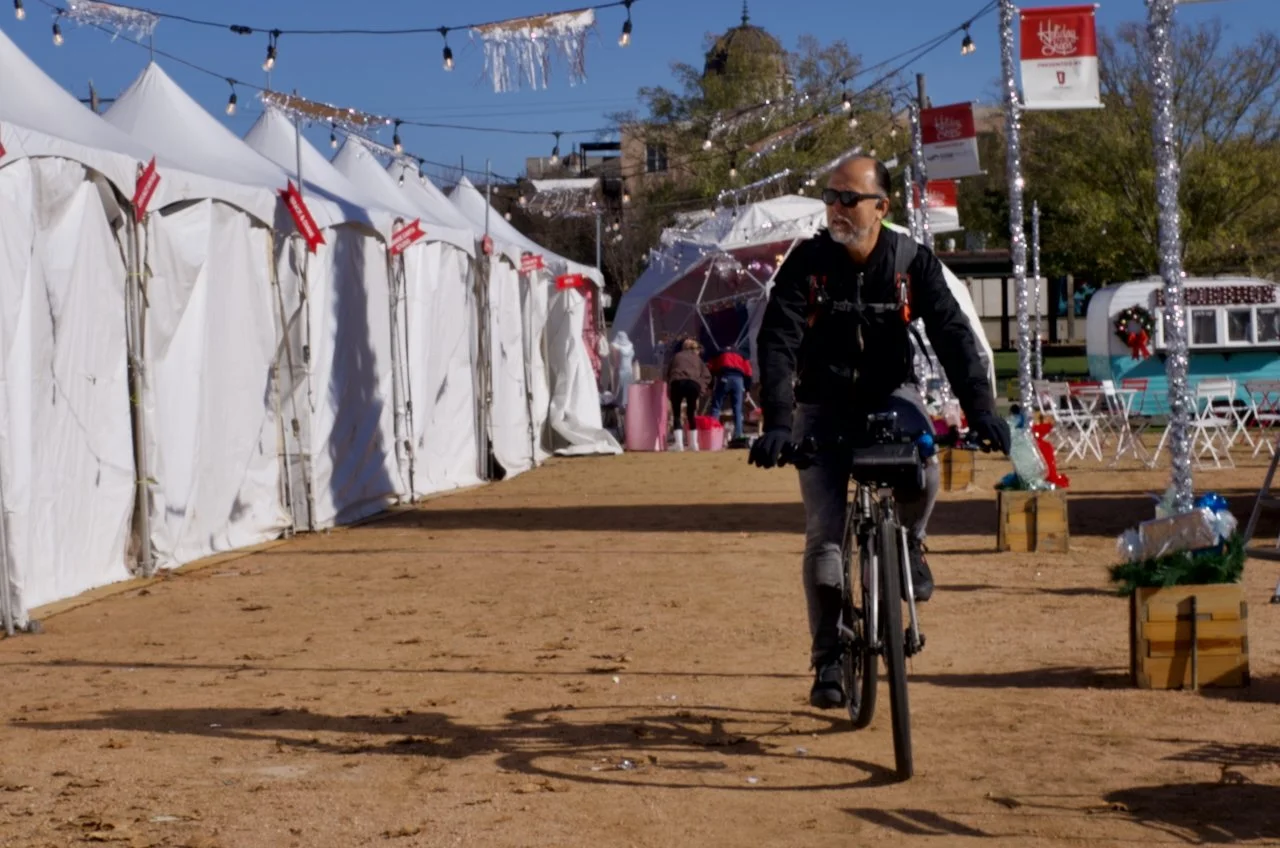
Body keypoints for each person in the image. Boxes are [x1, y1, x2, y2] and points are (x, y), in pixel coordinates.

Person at [748, 155, 1010, 709]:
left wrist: (980, 410)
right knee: (824, 534)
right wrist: (776, 422)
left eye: (849, 198)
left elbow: (953, 334)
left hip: (891, 396)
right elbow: (778, 341)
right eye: (830, 196)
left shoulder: (912, 260)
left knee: (927, 471)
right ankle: (828, 661)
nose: (836, 208)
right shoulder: (808, 262)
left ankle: (909, 545)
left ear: (882, 207)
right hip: (819, 403)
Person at [664, 337, 711, 451]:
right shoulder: (697, 359)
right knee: (691, 413)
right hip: (693, 384)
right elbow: (707, 375)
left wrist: (669, 387)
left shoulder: (677, 356)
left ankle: (679, 444)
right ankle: (694, 444)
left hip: (677, 382)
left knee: (677, 414)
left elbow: (668, 372)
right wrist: (701, 388)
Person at [707, 345, 753, 444]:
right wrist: (748, 390)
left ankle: (712, 434)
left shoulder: (719, 352)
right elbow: (748, 373)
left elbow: (711, 369)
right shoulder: (742, 354)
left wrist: (710, 387)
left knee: (716, 407)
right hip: (738, 380)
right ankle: (738, 435)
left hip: (723, 378)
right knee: (737, 409)